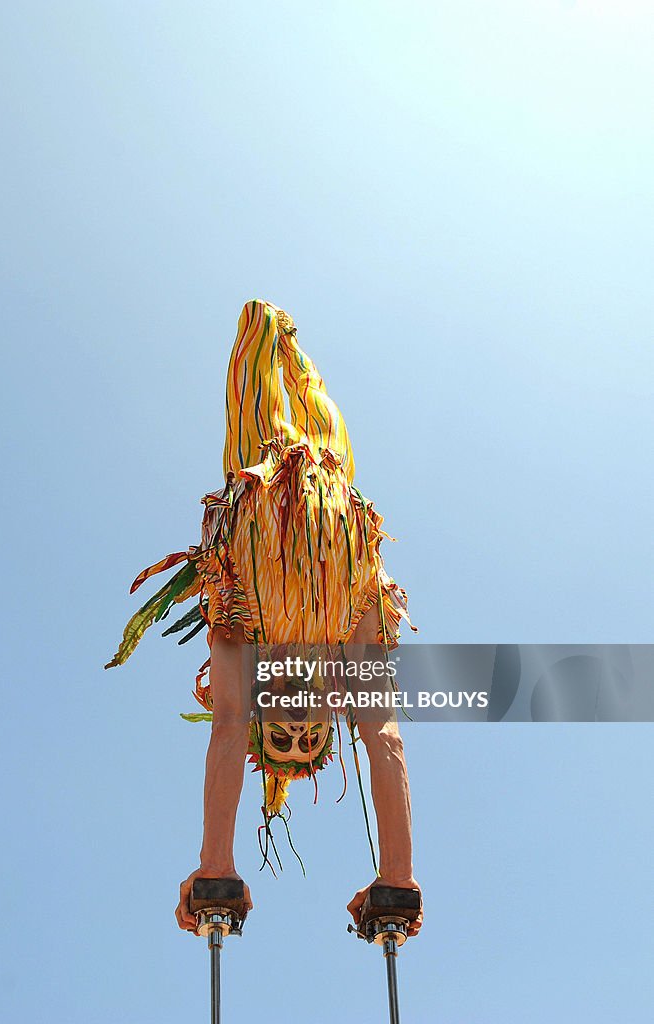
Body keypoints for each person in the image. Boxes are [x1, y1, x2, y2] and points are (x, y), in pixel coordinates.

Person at [106, 299, 423, 937]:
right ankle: (289, 341)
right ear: (331, 721)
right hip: (333, 496)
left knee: (256, 355)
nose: (297, 729)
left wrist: (215, 865)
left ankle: (268, 325)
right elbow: (383, 736)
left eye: (280, 740)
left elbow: (226, 731)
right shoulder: (344, 654)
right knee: (314, 397)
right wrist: (398, 879)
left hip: (261, 492)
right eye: (311, 741)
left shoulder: (251, 662)